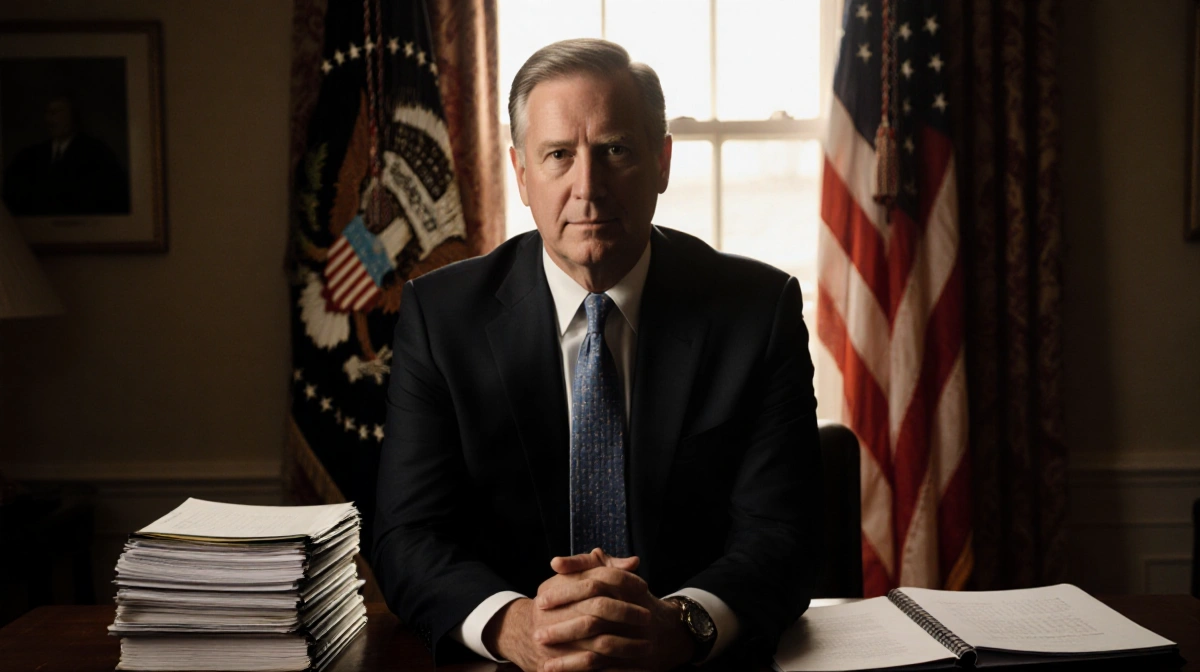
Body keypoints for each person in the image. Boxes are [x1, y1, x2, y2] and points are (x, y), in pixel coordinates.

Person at [373, 38, 822, 671]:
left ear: (662, 162)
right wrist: (514, 624)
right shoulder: (441, 317)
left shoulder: (757, 311)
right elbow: (407, 534)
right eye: (559, 155)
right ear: (521, 173)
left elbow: (784, 534)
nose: (589, 187)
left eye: (616, 151)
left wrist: (683, 622)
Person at [3, 95, 130, 217]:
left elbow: (111, 196)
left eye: (57, 112)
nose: (51, 119)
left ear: (73, 116)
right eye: (48, 112)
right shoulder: (29, 157)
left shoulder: (96, 153)